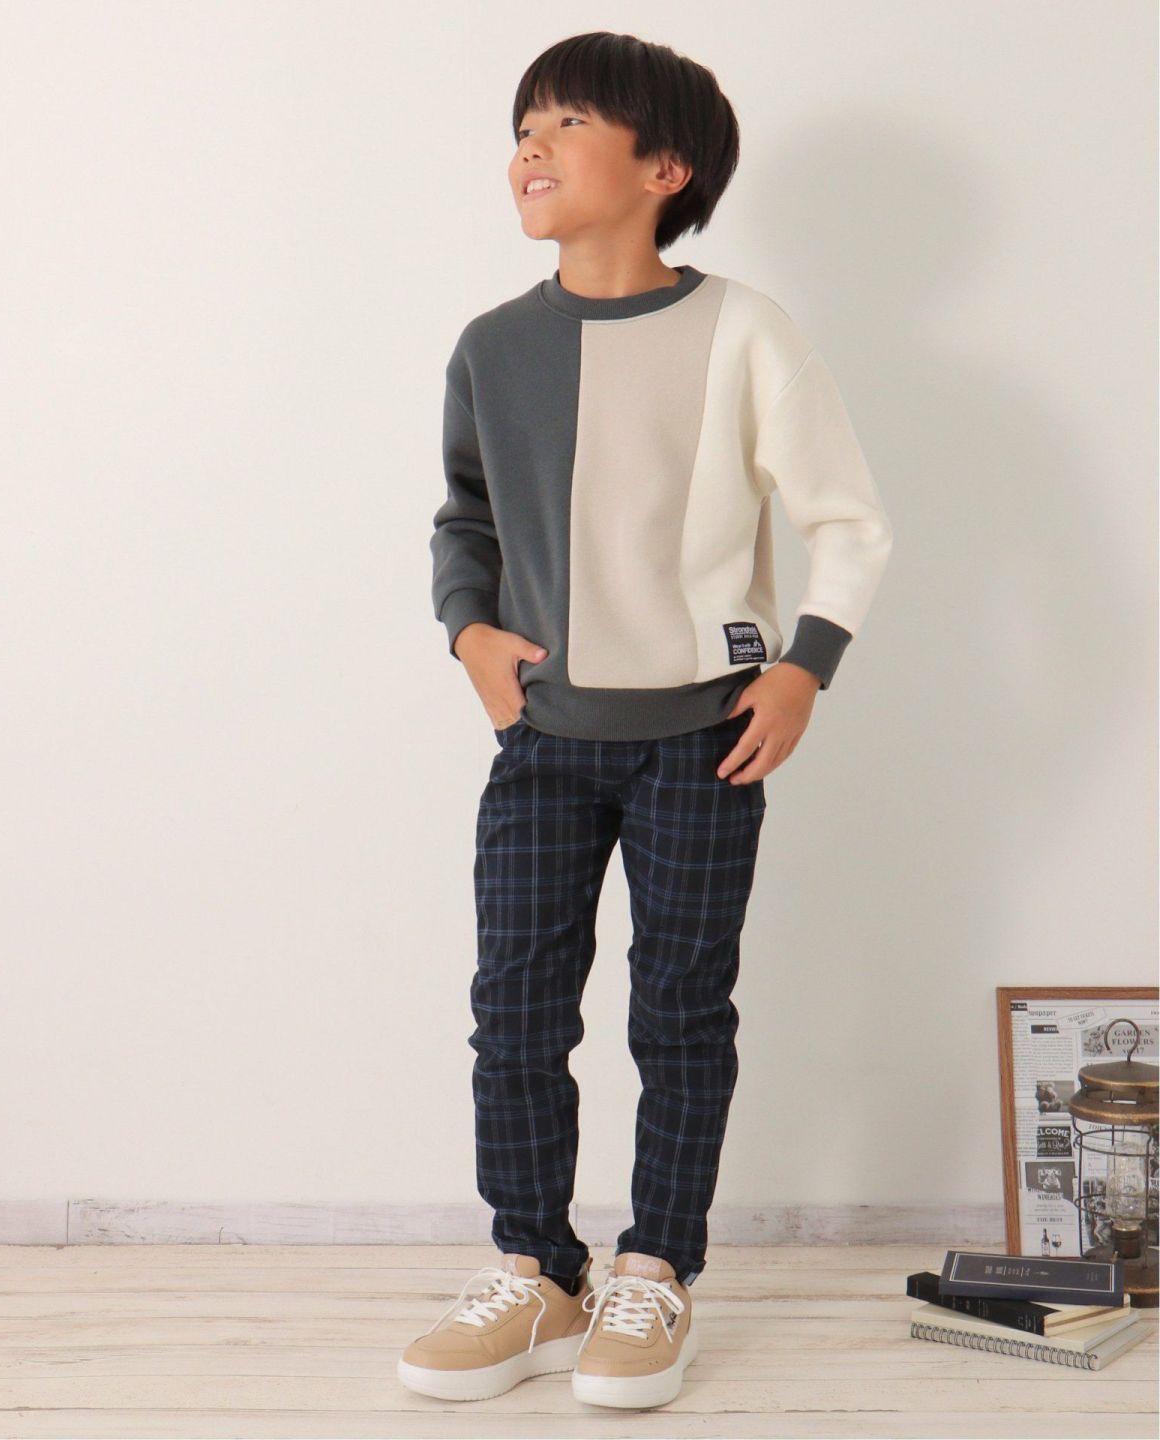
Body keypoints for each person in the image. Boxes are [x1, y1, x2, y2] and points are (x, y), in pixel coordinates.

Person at [398, 29, 893, 1412]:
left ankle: (657, 1268)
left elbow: (849, 520)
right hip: (544, 742)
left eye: (568, 121)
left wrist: (803, 668)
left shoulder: (746, 331)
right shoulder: (494, 347)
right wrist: (469, 631)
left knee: (679, 1013)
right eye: (525, 124)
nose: (532, 145)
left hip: (702, 740)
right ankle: (535, 1271)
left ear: (665, 167)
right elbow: (465, 517)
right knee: (514, 1011)